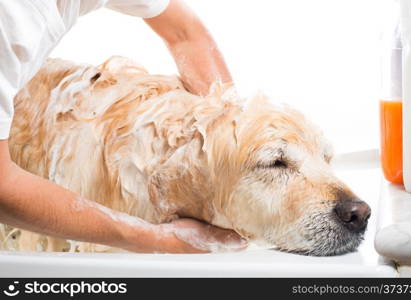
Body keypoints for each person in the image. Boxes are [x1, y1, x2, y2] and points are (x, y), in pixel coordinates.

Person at [0, 0, 247, 253]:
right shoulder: (12, 26)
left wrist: (232, 130)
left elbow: (184, 32)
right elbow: (2, 187)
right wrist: (157, 239)